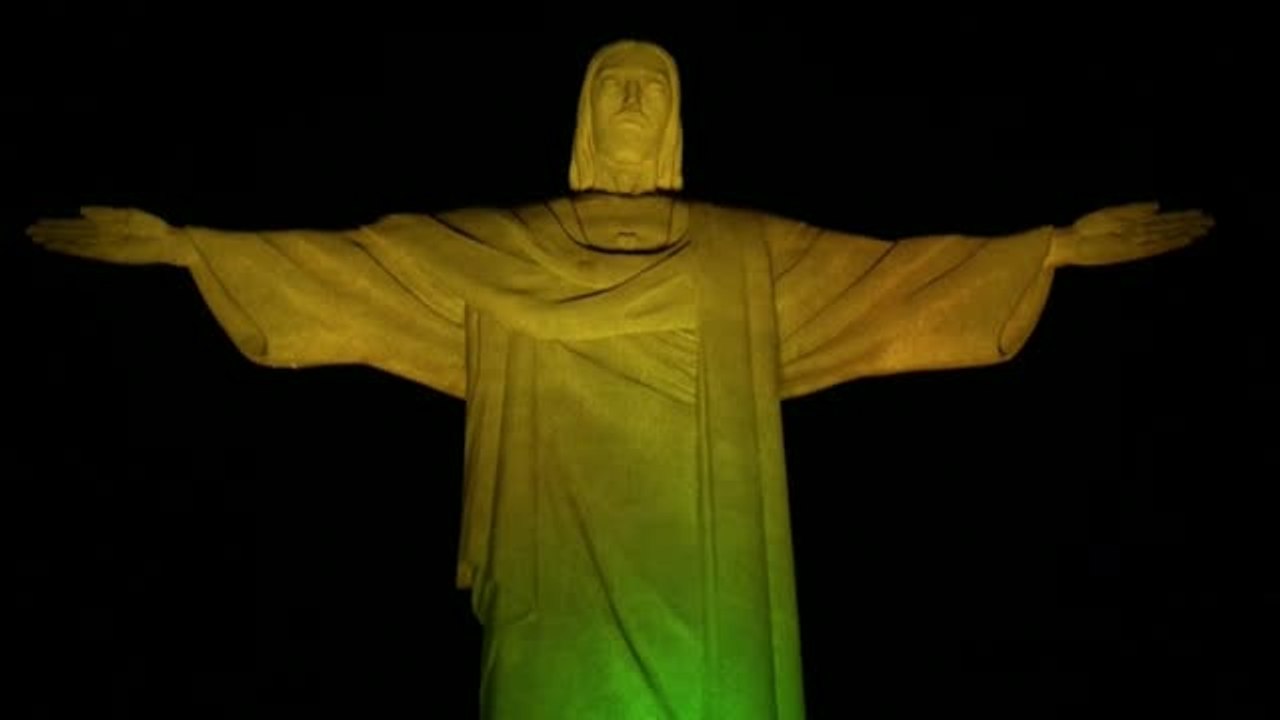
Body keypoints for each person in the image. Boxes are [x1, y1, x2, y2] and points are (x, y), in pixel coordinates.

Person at [28, 39, 1213, 720]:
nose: (634, 101)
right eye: (613, 86)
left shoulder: (744, 252)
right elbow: (362, 269)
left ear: (678, 118)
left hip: (707, 581)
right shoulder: (505, 245)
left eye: (652, 85)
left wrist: (1046, 248)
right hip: (554, 577)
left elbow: (889, 282)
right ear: (586, 119)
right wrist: (192, 248)